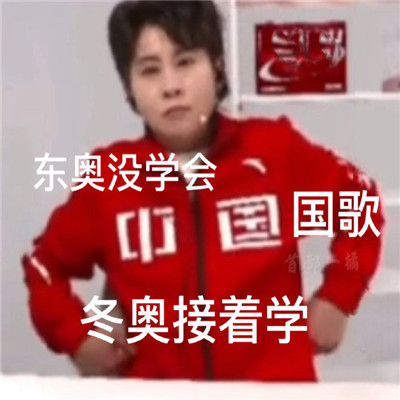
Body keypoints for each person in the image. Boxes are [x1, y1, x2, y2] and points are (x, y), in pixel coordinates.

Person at [22, 0, 385, 381]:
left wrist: (339, 296)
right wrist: (77, 336)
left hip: (274, 388)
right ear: (129, 86)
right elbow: (43, 267)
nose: (171, 87)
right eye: (150, 70)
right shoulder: (111, 176)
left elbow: (360, 205)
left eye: (186, 62)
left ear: (217, 67)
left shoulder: (275, 151)